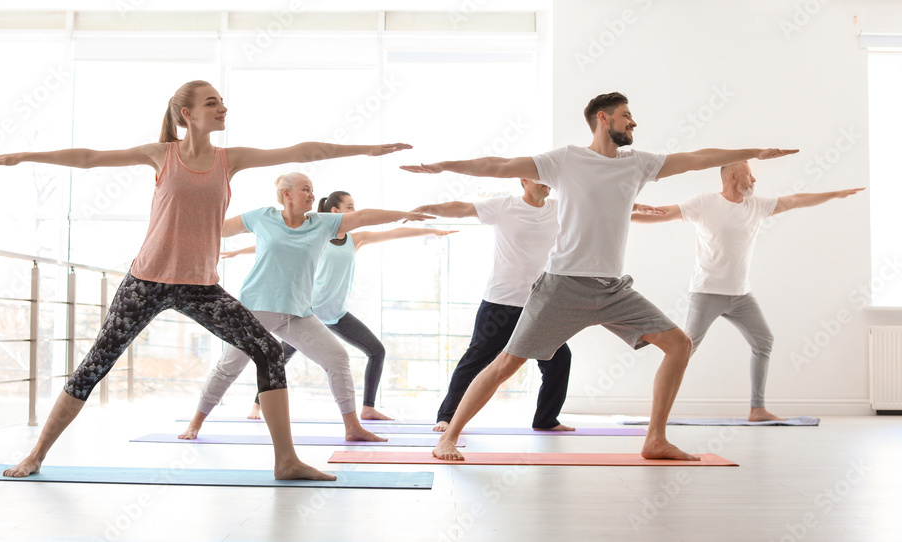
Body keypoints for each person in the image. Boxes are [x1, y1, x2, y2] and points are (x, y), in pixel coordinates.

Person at [0, 80, 411, 480]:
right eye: (213, 103)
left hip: (200, 286)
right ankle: (36, 454)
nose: (223, 107)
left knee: (265, 349)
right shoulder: (161, 154)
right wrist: (24, 156)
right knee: (95, 365)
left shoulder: (230, 159)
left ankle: (287, 461)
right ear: (186, 114)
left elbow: (305, 148)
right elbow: (90, 158)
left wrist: (367, 149)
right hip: (146, 281)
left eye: (222, 101)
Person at [401, 91, 797, 460]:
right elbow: (498, 166)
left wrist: (755, 152)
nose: (634, 123)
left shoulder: (638, 163)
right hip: (563, 286)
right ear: (603, 119)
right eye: (627, 116)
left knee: (679, 344)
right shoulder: (566, 160)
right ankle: (448, 436)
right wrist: (443, 165)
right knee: (505, 364)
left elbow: (696, 157)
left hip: (612, 290)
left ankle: (655, 439)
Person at [178, 174, 433, 442]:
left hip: (298, 312)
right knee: (229, 367)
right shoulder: (262, 217)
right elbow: (218, 228)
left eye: (312, 190)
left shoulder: (323, 224)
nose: (312, 195)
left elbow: (363, 217)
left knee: (338, 358)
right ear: (286, 194)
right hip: (257, 310)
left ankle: (352, 427)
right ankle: (195, 423)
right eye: (305, 190)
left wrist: (404, 213)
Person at [632, 161, 864, 421]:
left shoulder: (757, 206)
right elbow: (664, 212)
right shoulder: (705, 203)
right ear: (732, 176)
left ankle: (757, 409)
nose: (754, 180)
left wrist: (834, 194)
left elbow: (796, 200)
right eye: (750, 175)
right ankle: (656, 413)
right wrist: (623, 214)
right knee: (683, 349)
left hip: (741, 295)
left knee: (763, 341)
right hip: (707, 292)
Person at [228, 190, 456, 422]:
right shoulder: (318, 235)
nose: (354, 212)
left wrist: (430, 230)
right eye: (350, 207)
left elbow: (394, 233)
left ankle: (367, 408)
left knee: (376, 351)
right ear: (335, 212)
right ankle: (257, 406)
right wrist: (238, 252)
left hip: (336, 314)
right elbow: (277, 245)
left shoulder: (356, 239)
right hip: (307, 315)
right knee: (280, 358)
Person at [412, 178, 576, 432]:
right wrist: (427, 209)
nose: (547, 183)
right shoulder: (503, 206)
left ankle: (546, 420)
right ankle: (447, 417)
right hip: (501, 301)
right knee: (476, 361)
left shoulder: (558, 208)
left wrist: (639, 207)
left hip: (540, 304)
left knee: (559, 359)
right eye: (539, 177)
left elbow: (598, 209)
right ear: (523, 180)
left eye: (548, 178)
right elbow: (462, 208)